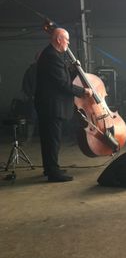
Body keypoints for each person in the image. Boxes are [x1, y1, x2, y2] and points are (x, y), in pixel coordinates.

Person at [34, 28, 92, 182]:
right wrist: (84, 91)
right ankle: (53, 173)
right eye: (66, 39)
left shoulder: (53, 55)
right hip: (52, 106)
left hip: (50, 105)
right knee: (52, 140)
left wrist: (72, 70)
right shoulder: (52, 56)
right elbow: (62, 84)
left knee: (50, 140)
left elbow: (62, 77)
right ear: (59, 39)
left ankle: (50, 168)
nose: (68, 42)